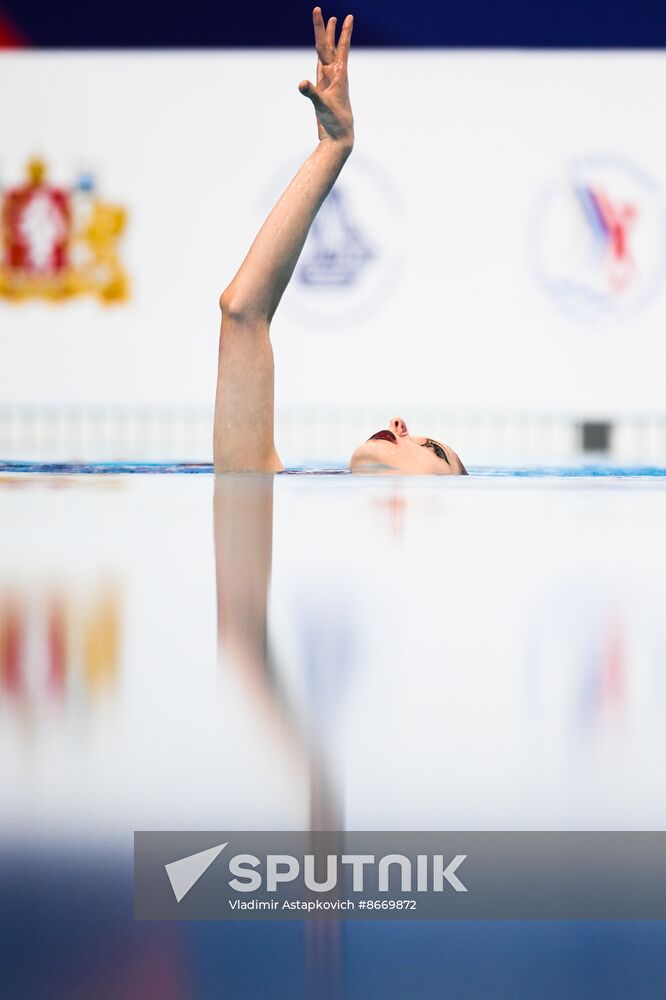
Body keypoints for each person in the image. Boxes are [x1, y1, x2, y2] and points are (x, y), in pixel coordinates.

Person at [214, 7, 467, 476]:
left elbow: (241, 313)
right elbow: (243, 310)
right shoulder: (274, 492)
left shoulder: (264, 495)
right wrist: (333, 147)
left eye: (432, 451)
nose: (398, 423)